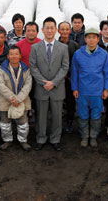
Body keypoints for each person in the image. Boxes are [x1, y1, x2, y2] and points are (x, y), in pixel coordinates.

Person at [29, 17, 69, 151]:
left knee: (57, 116)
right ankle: (41, 138)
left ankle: (55, 138)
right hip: (41, 88)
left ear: (56, 30)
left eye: (52, 28)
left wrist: (54, 82)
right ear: (42, 30)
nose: (50, 30)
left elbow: (65, 67)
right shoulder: (35, 48)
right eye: (47, 28)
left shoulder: (63, 48)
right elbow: (33, 67)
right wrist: (43, 82)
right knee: (41, 115)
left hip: (57, 88)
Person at [71, 28, 108, 148]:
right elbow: (74, 73)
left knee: (96, 116)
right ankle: (84, 137)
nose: (91, 40)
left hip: (97, 91)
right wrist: (75, 88)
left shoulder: (104, 54)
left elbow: (107, 72)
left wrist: (106, 89)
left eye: (94, 37)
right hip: (82, 90)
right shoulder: (78, 54)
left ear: (98, 39)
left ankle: (93, 137)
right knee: (82, 115)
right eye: (89, 37)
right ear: (85, 39)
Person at [0, 46, 32, 151]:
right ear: (8, 56)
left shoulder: (26, 69)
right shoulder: (1, 69)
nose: (14, 56)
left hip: (22, 100)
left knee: (23, 123)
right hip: (5, 101)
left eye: (16, 54)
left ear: (20, 56)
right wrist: (12, 98)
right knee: (5, 123)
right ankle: (7, 141)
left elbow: (28, 85)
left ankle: (23, 141)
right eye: (11, 54)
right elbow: (0, 85)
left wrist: (18, 99)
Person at [58, 21, 79, 133]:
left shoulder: (74, 45)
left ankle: (70, 122)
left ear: (70, 31)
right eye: (62, 29)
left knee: (71, 102)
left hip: (71, 79)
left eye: (67, 29)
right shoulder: (55, 44)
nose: (65, 32)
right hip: (59, 79)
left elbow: (77, 63)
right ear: (58, 31)